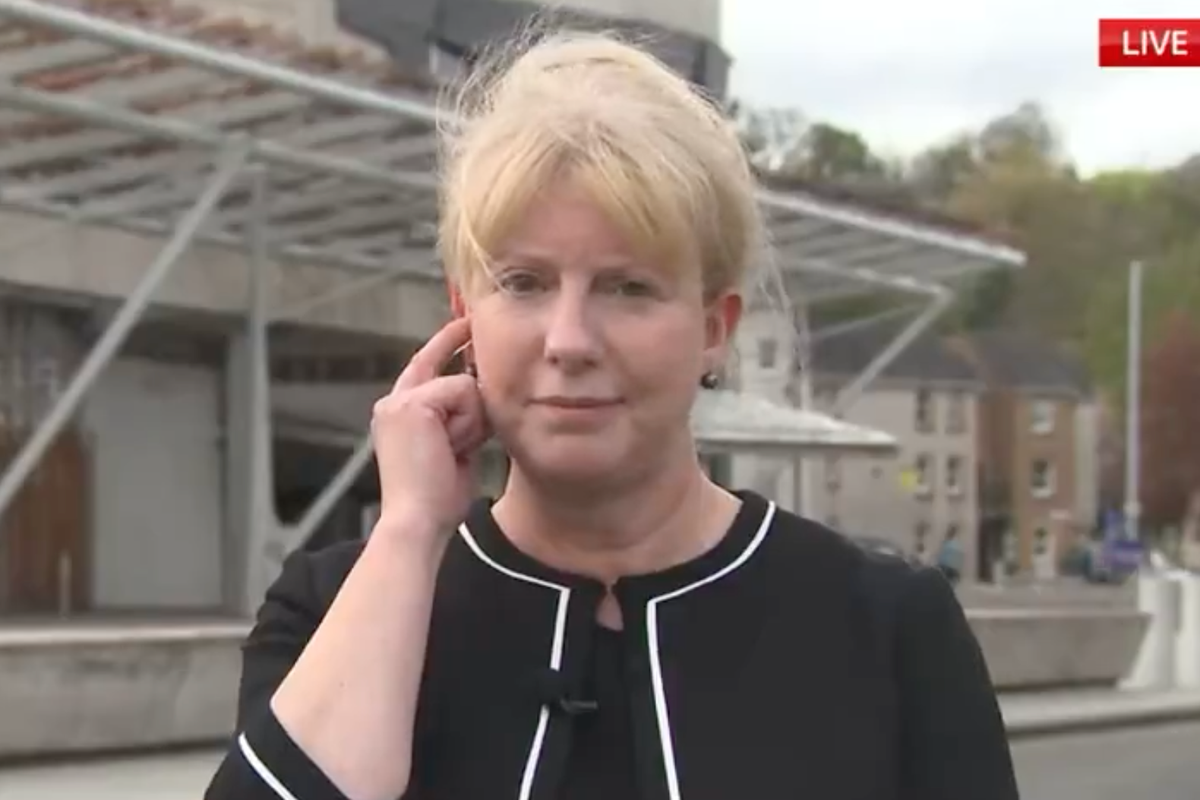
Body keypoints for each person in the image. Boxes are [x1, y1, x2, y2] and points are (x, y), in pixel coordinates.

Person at [204, 30, 1018, 800]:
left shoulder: (886, 627)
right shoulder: (335, 605)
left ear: (713, 330)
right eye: (523, 284)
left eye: (628, 288)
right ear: (465, 318)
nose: (569, 340)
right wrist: (410, 531)